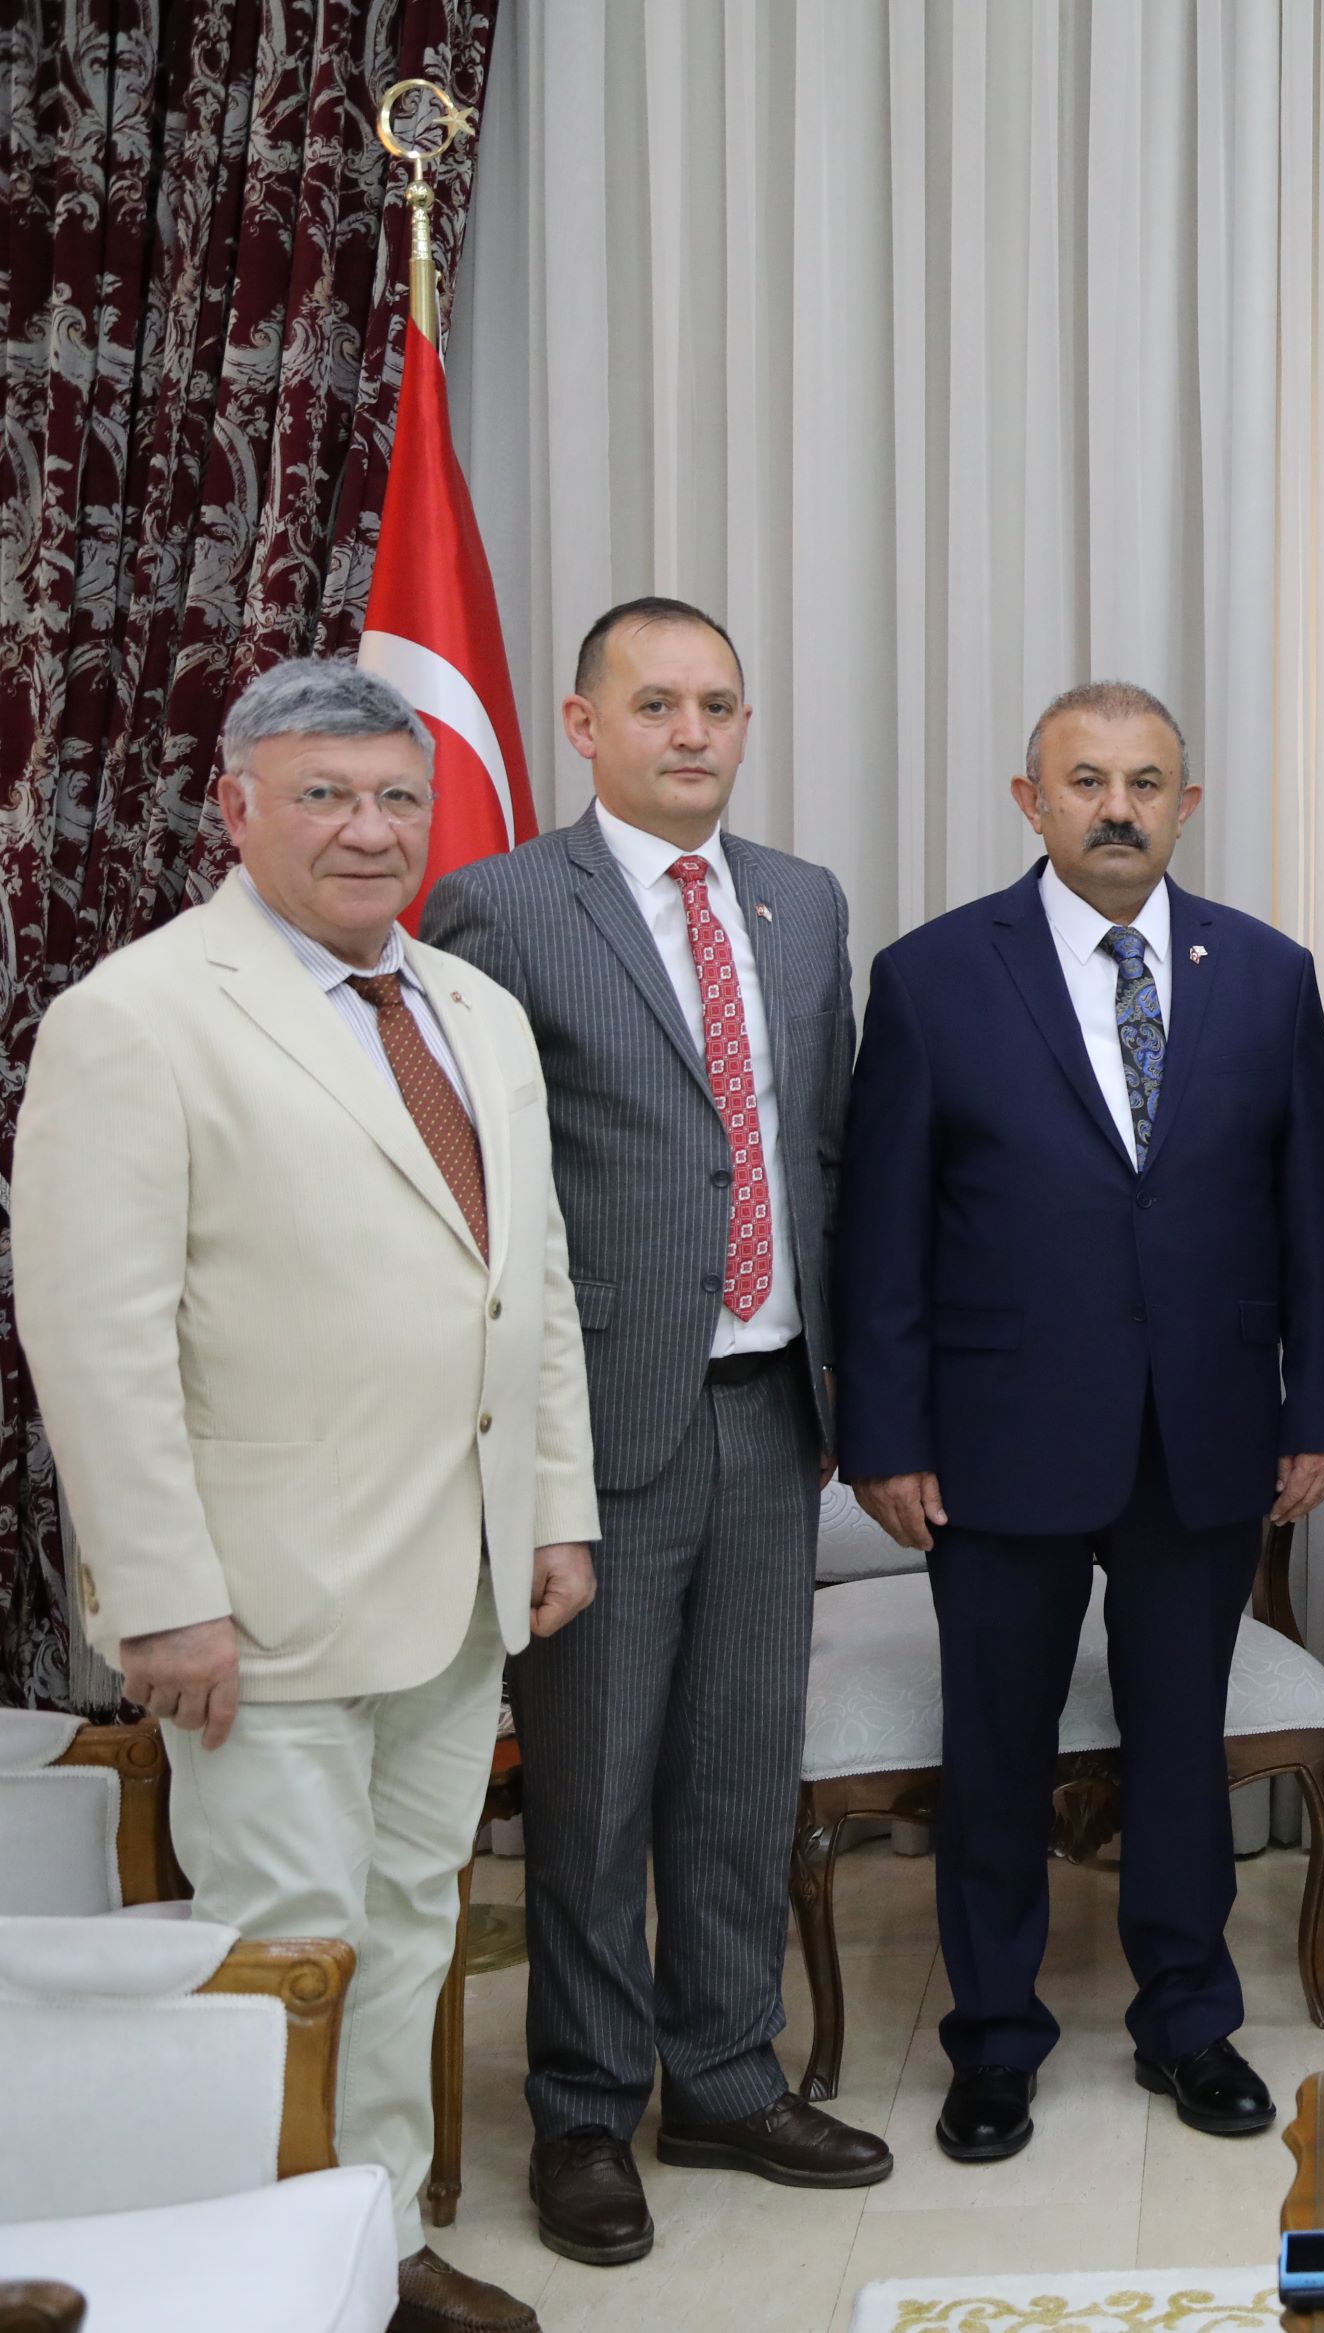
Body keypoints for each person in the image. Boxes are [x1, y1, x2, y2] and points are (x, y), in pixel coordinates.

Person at [18, 659, 597, 2333]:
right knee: (288, 1945)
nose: (369, 829)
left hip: (459, 1580)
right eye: (325, 794)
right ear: (237, 807)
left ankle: (376, 2244)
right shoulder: (138, 1015)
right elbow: (96, 1341)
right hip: (254, 1607)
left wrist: (553, 1504)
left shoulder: (474, 1009)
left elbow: (532, 1284)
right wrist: (161, 1594)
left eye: (398, 796)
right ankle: (269, 2271)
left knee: (411, 1926)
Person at [420, 597, 885, 2262]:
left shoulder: (801, 902)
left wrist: (854, 1391)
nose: (692, 732)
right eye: (657, 704)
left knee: (741, 1774)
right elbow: (474, 1189)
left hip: (773, 1407)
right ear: (584, 724)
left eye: (718, 705)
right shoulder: (499, 906)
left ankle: (725, 2075)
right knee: (596, 1789)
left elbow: (824, 1151)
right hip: (600, 1416)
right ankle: (583, 2107)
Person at [836, 681, 1324, 2161]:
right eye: (1085, 781)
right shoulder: (934, 977)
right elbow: (881, 1231)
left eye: (1144, 783)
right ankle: (995, 2038)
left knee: (1179, 1742)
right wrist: (885, 1435)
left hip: (1207, 1431)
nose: (1115, 808)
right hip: (998, 1435)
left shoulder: (1266, 974)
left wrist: (1319, 1409)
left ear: (1185, 806)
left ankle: (1188, 2021)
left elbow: (1313, 1217)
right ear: (1033, 800)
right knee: (996, 1747)